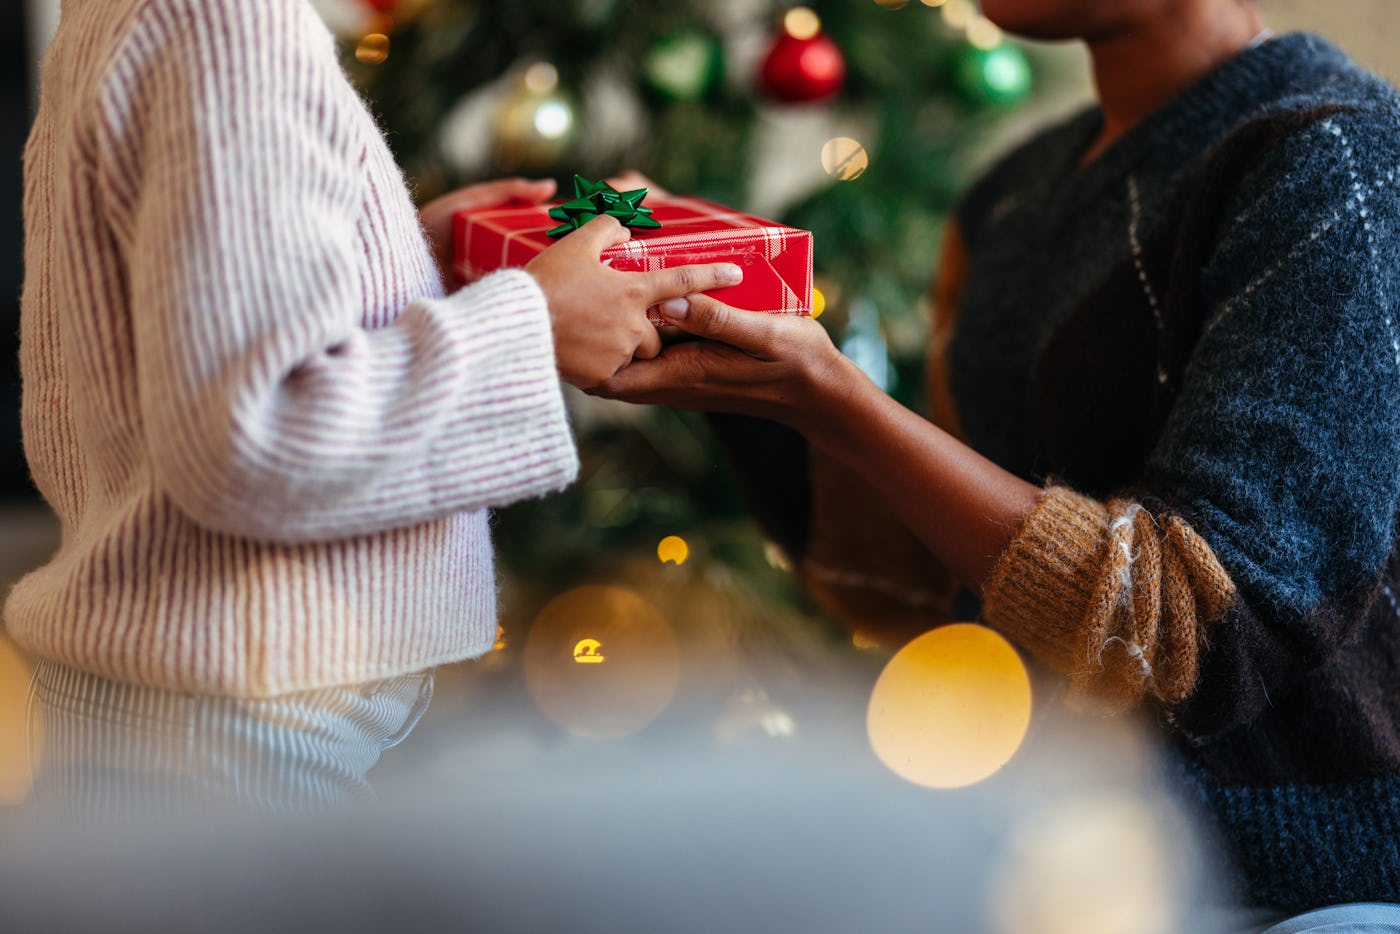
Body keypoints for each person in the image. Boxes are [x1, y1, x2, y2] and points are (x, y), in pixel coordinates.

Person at [597, 1, 1400, 930]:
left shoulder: (1335, 163)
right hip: (1052, 852)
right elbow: (937, 585)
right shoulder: (1011, 199)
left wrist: (833, 400)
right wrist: (736, 370)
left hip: (1299, 889)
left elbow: (1189, 631)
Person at [5, 0, 741, 806]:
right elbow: (255, 437)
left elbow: (171, 327)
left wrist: (400, 264)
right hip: (238, 733)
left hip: (205, 710)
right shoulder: (227, 27)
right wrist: (534, 325)